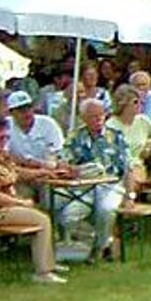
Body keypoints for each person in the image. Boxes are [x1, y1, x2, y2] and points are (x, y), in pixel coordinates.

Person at [0, 115, 66, 284]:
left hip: (5, 206)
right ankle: (43, 272)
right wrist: (22, 203)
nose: (5, 139)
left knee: (43, 214)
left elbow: (16, 172)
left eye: (6, 136)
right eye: (0, 136)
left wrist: (44, 172)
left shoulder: (0, 155)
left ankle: (48, 263)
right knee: (42, 219)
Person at [60, 98, 135, 261]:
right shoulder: (75, 137)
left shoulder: (116, 137)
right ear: (84, 118)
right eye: (94, 116)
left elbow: (129, 168)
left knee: (106, 210)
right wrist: (70, 169)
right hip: (83, 188)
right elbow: (62, 162)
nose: (99, 120)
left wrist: (130, 195)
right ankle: (97, 240)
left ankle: (99, 249)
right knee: (68, 216)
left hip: (111, 186)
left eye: (101, 116)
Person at [105, 84, 151, 186]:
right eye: (135, 102)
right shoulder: (111, 125)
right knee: (131, 178)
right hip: (120, 166)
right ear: (123, 103)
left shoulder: (142, 120)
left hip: (139, 164)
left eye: (141, 101)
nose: (140, 104)